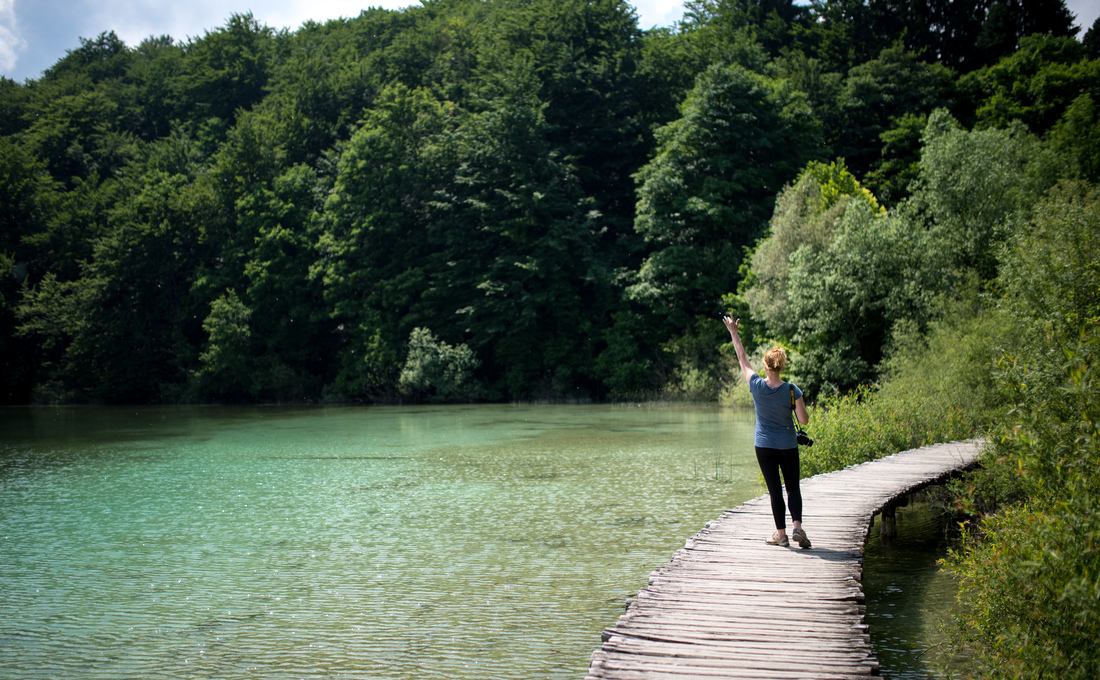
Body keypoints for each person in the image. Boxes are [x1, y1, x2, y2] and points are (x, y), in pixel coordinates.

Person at [723, 316, 811, 549]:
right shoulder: (792, 390)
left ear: (765, 365)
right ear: (782, 366)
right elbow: (803, 420)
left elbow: (742, 358)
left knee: (775, 491)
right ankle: (797, 528)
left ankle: (780, 535)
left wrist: (734, 332)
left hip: (764, 446)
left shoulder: (757, 385)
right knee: (793, 487)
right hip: (787, 446)